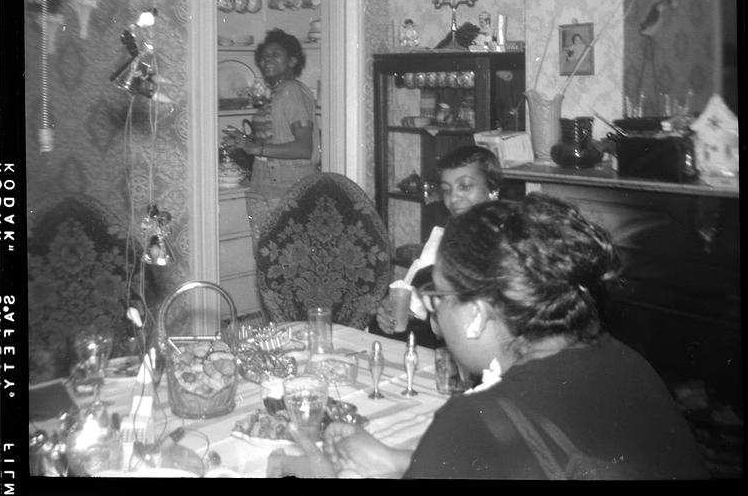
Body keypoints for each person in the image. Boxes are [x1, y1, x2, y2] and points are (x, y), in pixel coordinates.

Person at [270, 193, 709, 480]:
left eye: (439, 299)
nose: (436, 321)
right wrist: (394, 463)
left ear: (478, 314)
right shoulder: (629, 363)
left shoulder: (478, 417)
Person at [368, 145, 502, 349]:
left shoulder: (507, 243)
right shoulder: (443, 238)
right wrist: (392, 313)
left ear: (492, 190)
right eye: (447, 190)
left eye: (465, 186)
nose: (454, 198)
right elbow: (415, 302)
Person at [222, 28, 318, 207]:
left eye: (276, 54)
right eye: (264, 55)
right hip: (268, 180)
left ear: (292, 61)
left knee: (279, 235)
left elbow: (304, 149)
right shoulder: (278, 92)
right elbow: (275, 139)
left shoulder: (292, 90)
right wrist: (245, 141)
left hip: (287, 185)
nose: (268, 59)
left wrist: (253, 147)